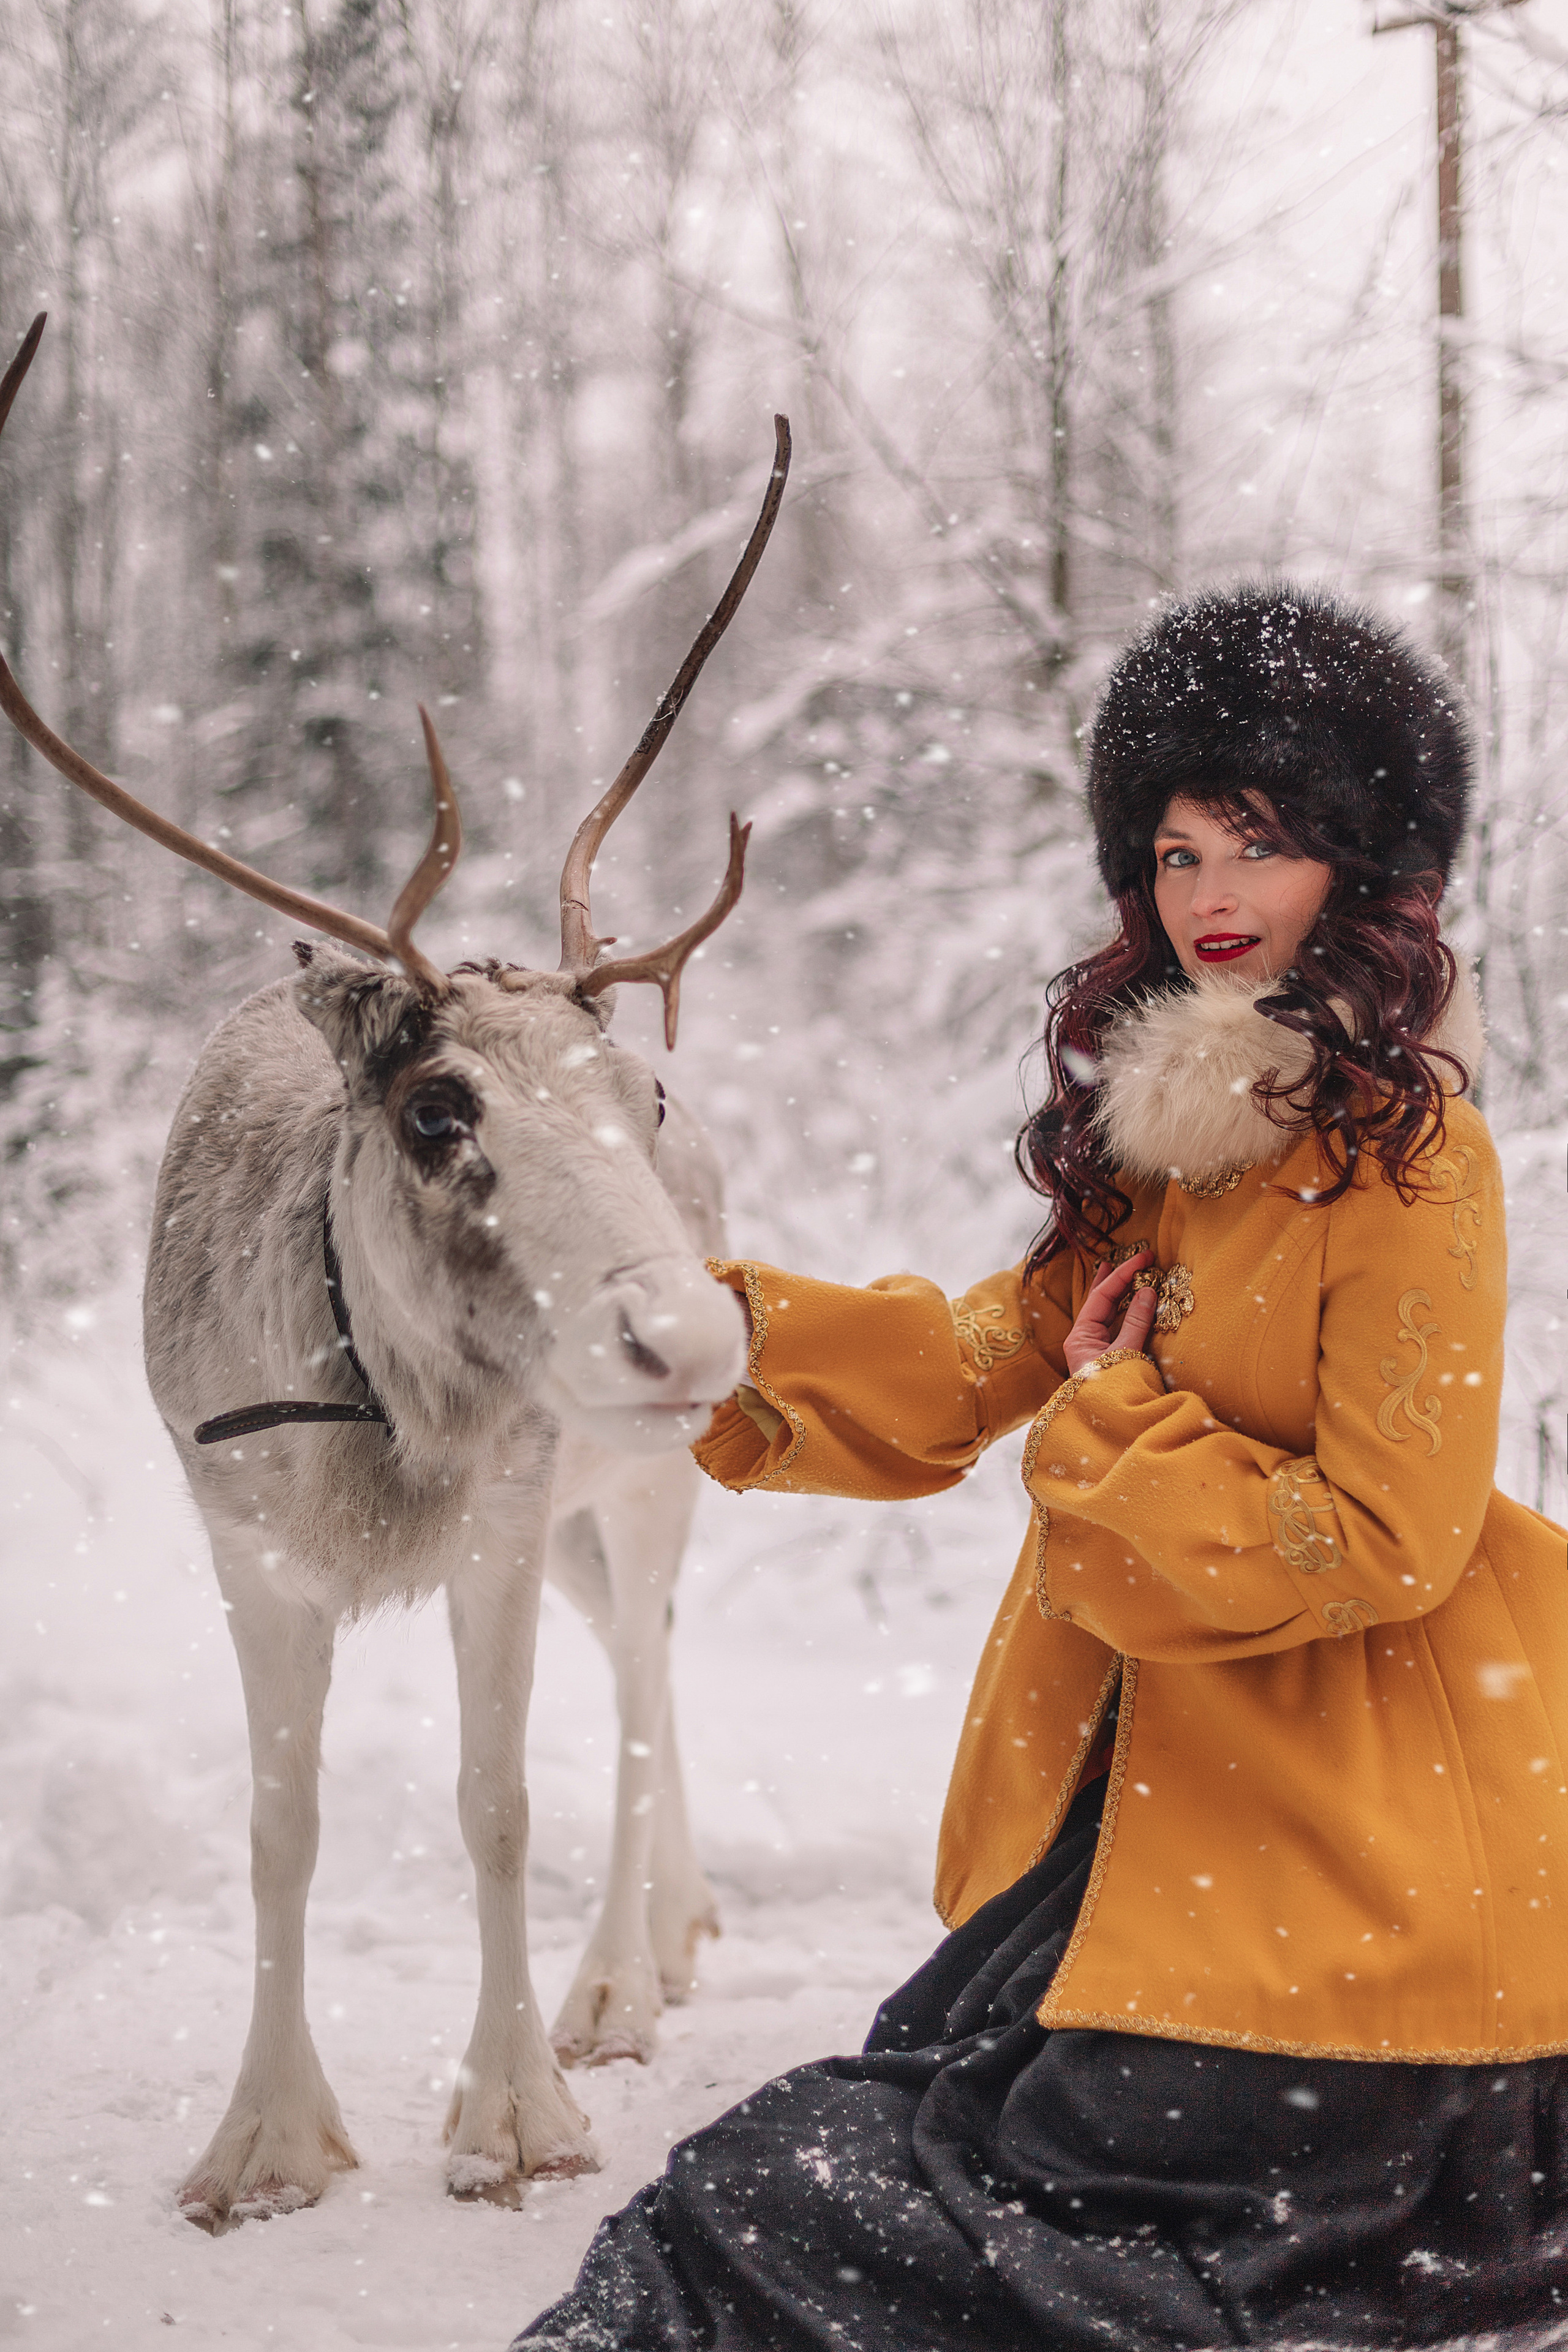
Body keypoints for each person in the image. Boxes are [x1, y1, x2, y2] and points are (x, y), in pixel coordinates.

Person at [514, 584, 1567, 2352]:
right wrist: (729, 1334)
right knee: (828, 2167)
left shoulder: (1413, 1159)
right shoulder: (1187, 1148)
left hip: (1349, 1850)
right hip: (1174, 1810)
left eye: (1262, 847)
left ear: (1364, 868)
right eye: (1173, 854)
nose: (1210, 901)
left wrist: (1116, 1429)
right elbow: (984, 1361)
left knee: (784, 2212)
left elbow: (1387, 1535)